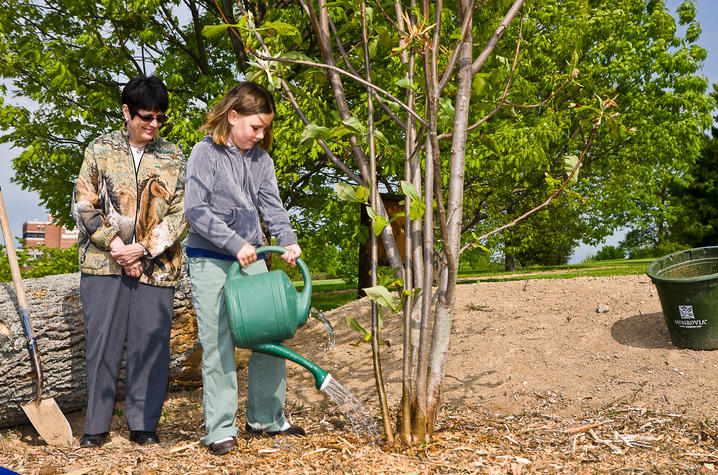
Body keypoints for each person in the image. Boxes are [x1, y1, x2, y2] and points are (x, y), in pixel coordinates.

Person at [184, 81, 305, 456]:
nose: (260, 134)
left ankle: (266, 419)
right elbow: (196, 210)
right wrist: (236, 245)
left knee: (271, 334)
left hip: (254, 261)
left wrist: (286, 239)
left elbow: (273, 207)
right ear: (232, 116)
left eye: (265, 128)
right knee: (218, 343)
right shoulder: (204, 153)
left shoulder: (261, 161)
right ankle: (220, 428)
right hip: (212, 261)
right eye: (255, 126)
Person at [71, 74, 188, 448]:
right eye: (145, 117)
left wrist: (143, 249)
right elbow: (84, 204)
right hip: (103, 265)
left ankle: (143, 426)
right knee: (102, 344)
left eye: (159, 118)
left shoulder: (174, 156)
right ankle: (96, 427)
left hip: (157, 268)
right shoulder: (99, 149)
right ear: (126, 112)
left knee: (149, 346)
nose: (153, 125)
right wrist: (118, 246)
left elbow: (183, 213)